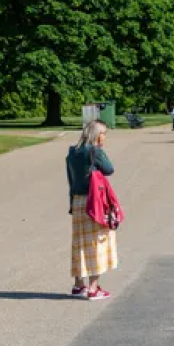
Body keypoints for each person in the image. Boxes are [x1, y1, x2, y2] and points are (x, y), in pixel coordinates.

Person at [66, 119, 117, 300]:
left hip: (78, 201)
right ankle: (93, 288)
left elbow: (70, 178)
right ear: (97, 134)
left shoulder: (73, 152)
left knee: (80, 243)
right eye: (104, 133)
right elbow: (109, 169)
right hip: (94, 201)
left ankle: (78, 284)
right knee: (97, 242)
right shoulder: (95, 151)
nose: (105, 137)